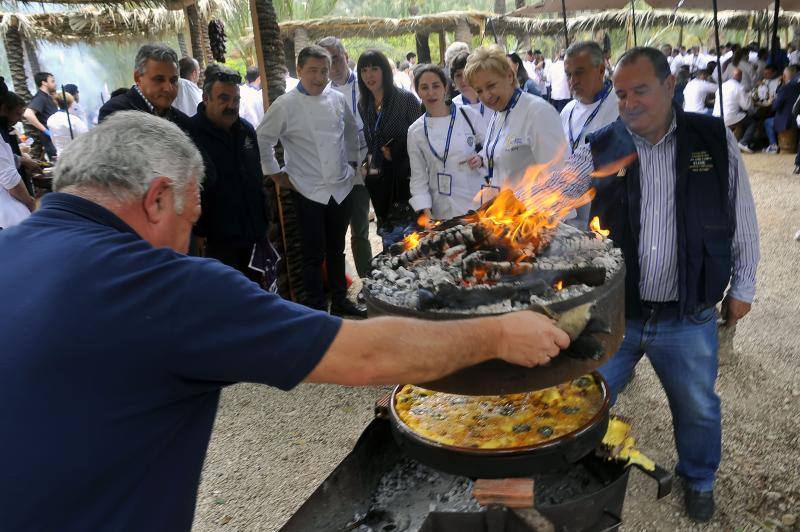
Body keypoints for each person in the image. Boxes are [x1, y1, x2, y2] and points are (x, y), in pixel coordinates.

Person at [0, 111, 571, 532]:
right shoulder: (163, 288)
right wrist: (498, 332)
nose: (187, 245)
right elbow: (364, 355)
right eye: (190, 219)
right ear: (156, 199)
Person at [544, 47, 759, 523]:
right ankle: (568, 470)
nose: (629, 102)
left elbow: (740, 214)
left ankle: (699, 479)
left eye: (640, 90)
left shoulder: (712, 138)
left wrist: (743, 285)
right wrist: (508, 214)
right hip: (618, 313)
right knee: (582, 398)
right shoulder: (602, 145)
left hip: (688, 314)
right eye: (621, 93)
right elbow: (557, 192)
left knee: (698, 408)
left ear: (669, 87)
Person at [257, 46, 364, 317]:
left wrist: (353, 164)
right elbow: (263, 139)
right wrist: (276, 173)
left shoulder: (337, 99)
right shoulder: (286, 104)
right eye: (313, 71)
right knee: (313, 255)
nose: (319, 77)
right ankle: (317, 308)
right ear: (300, 71)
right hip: (308, 190)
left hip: (340, 187)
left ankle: (340, 300)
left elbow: (351, 132)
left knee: (337, 249)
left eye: (324, 71)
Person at [187, 65, 270, 285]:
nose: (231, 105)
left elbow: (255, 177)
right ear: (206, 97)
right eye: (223, 98)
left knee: (258, 296)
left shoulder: (246, 129)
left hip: (253, 235)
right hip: (217, 243)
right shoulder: (189, 134)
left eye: (236, 99)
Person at [464, 45, 566, 194]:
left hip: (533, 214)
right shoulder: (498, 113)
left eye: (491, 85)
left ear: (510, 76)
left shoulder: (538, 112)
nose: (486, 95)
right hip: (504, 212)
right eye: (479, 90)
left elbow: (559, 179)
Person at [318, 36, 372, 278]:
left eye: (337, 59)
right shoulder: (322, 95)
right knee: (355, 230)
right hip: (345, 170)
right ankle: (368, 283)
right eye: (327, 61)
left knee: (386, 225)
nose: (333, 66)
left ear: (346, 57)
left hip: (374, 162)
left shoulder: (367, 85)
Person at [357, 49, 422, 247]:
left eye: (374, 69)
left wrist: (397, 153)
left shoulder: (406, 100)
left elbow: (421, 140)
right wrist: (367, 166)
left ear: (384, 71)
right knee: (389, 240)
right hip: (380, 184)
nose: (369, 75)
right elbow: (372, 143)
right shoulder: (364, 104)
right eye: (364, 70)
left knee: (411, 241)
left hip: (406, 181)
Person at [408, 64, 485, 221]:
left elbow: (492, 148)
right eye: (424, 87)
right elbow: (418, 176)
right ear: (418, 92)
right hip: (441, 208)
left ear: (445, 88)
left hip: (476, 202)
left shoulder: (469, 115)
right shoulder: (415, 131)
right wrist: (425, 211)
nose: (431, 92)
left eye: (436, 86)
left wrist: (481, 158)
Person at [560, 41, 618, 229]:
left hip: (606, 212)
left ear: (601, 70)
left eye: (579, 72)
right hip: (569, 213)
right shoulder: (567, 111)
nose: (573, 80)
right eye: (568, 74)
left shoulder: (619, 106)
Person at [98, 44, 190, 132]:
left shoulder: (183, 121)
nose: (168, 88)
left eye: (173, 80)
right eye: (159, 79)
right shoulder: (115, 113)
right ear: (137, 77)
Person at [0, 90, 41, 195]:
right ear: (4, 109)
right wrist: (23, 160)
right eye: (17, 114)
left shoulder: (7, 129)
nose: (19, 120)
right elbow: (5, 166)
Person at [713, 67, 757, 153]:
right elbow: (747, 106)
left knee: (741, 117)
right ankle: (743, 142)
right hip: (729, 118)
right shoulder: (739, 87)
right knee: (752, 122)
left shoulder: (722, 86)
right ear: (740, 77)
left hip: (716, 116)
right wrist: (750, 98)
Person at [450, 50, 492, 135]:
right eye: (458, 75)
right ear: (453, 79)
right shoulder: (452, 107)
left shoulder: (492, 101)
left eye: (466, 73)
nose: (463, 79)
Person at [763, 64, 800, 155]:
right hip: (797, 119)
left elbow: (775, 106)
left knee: (767, 122)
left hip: (787, 121)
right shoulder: (797, 86)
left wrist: (772, 101)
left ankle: (773, 145)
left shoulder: (785, 88)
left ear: (784, 76)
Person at [23, 71, 58, 160]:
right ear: (44, 83)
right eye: (52, 81)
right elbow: (28, 114)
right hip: (51, 141)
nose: (55, 84)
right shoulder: (40, 97)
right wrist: (45, 130)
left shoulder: (47, 97)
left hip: (55, 138)